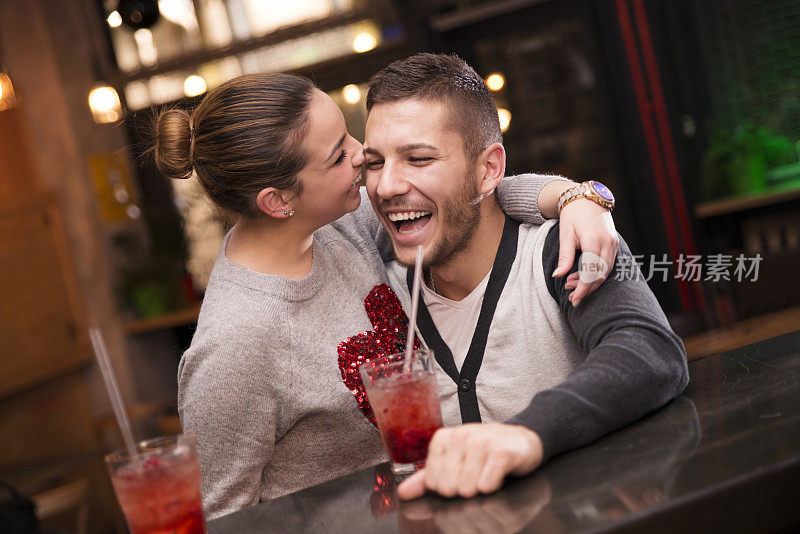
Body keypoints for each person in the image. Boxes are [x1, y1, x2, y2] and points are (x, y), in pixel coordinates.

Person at [160, 74, 619, 519]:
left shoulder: (339, 226)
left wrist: (575, 198)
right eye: (339, 156)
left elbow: (468, 197)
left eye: (349, 136)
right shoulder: (233, 346)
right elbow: (218, 519)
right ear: (278, 202)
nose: (363, 156)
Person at [360, 53, 689, 500]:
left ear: (488, 170)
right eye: (374, 163)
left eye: (418, 159)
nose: (386, 186)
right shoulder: (378, 277)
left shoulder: (563, 246)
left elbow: (651, 352)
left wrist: (529, 432)